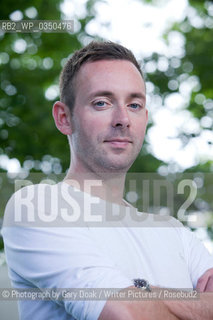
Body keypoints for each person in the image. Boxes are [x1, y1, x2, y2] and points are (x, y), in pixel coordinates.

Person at [2, 41, 213, 320]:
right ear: (64, 118)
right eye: (101, 102)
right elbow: (126, 315)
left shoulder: (175, 232)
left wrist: (143, 292)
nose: (123, 119)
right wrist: (194, 303)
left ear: (145, 118)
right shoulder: (36, 206)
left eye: (134, 104)